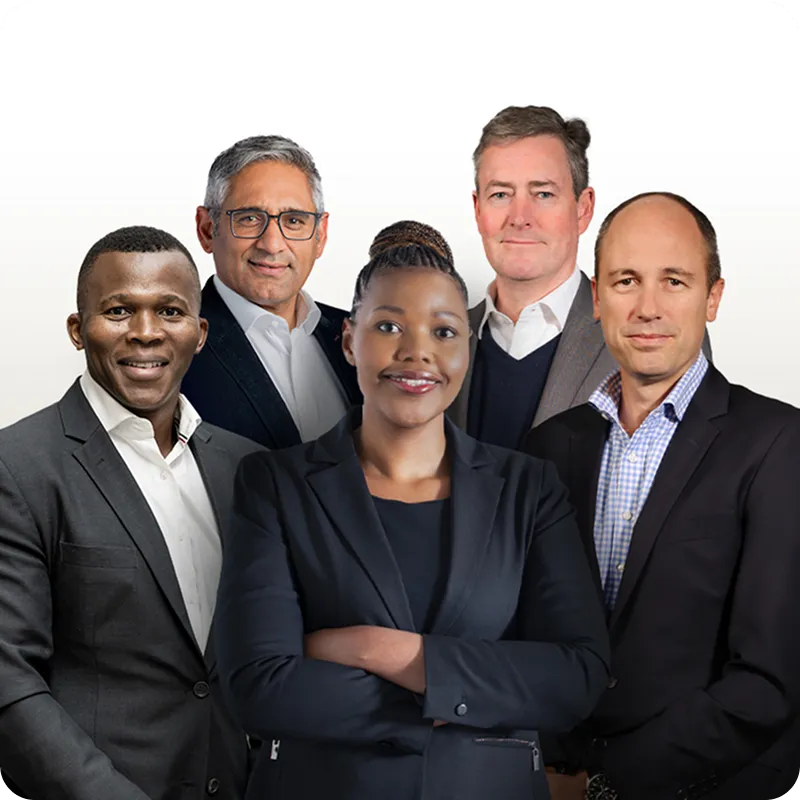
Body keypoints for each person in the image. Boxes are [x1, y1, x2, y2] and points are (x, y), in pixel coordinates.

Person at [214, 220, 610, 800]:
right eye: (389, 325)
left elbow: (577, 678)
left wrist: (379, 651)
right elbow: (258, 686)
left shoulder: (529, 488)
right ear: (349, 340)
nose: (417, 351)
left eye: (444, 331)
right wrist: (470, 698)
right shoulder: (274, 484)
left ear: (468, 349)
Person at [524, 193, 800, 799]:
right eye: (626, 281)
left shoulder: (778, 443)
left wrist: (603, 784)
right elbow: (527, 637)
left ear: (713, 297)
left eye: (674, 280)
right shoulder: (547, 448)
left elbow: (769, 681)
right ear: (596, 298)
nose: (647, 307)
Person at [0, 226, 262, 800]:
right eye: (119, 310)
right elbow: (7, 678)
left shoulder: (250, 469)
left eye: (170, 311)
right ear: (78, 330)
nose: (146, 333)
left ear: (199, 332)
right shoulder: (17, 467)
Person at [449, 105, 711, 449]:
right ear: (478, 209)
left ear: (583, 209)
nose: (520, 217)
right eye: (501, 194)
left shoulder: (650, 333)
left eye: (543, 193)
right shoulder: (441, 341)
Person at [182, 135, 361, 449]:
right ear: (207, 229)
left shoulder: (360, 338)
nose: (272, 244)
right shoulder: (171, 349)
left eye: (294, 221)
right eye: (250, 218)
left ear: (320, 235)